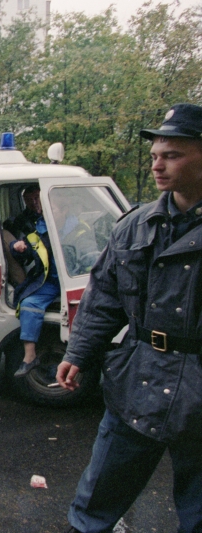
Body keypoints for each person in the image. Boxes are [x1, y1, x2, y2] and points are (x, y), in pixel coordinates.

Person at [57, 103, 202, 533]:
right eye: (155, 155)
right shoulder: (135, 226)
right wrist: (79, 352)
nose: (158, 165)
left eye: (172, 155)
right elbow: (104, 297)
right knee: (94, 504)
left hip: (198, 386)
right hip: (137, 379)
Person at [9, 190, 61, 378]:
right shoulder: (39, 228)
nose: (39, 207)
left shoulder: (78, 227)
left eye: (46, 204)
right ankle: (30, 357)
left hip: (74, 281)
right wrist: (15, 247)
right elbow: (26, 249)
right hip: (50, 280)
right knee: (29, 304)